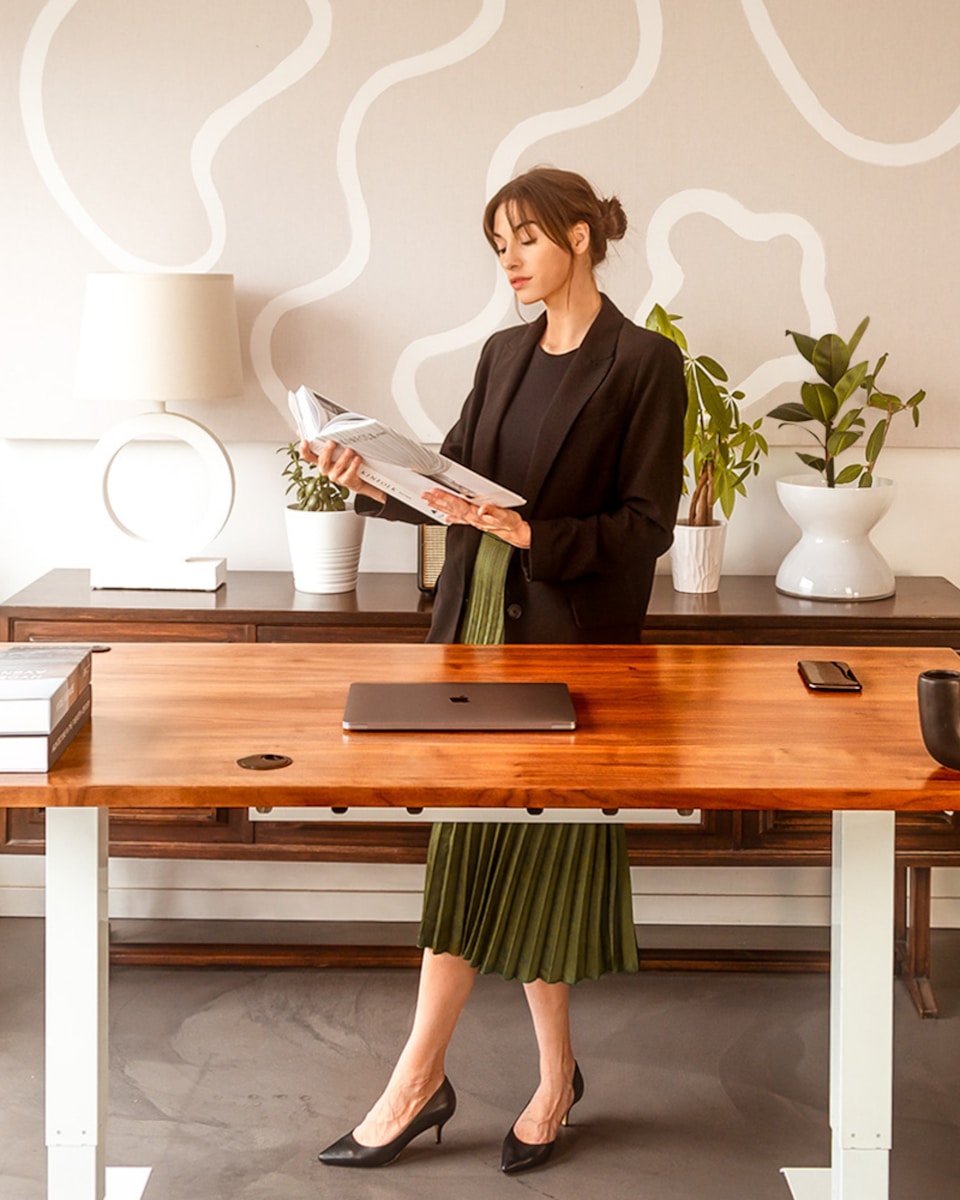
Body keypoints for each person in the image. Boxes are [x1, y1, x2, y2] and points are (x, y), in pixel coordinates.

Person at [303, 166, 685, 1173]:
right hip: (472, 628)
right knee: (483, 849)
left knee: (526, 857)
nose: (508, 260)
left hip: (568, 638)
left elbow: (646, 529)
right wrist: (366, 479)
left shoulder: (645, 363)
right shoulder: (502, 353)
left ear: (581, 239)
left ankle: (433, 1080)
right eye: (497, 245)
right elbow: (451, 489)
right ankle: (522, 1076)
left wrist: (533, 533)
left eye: (522, 239)